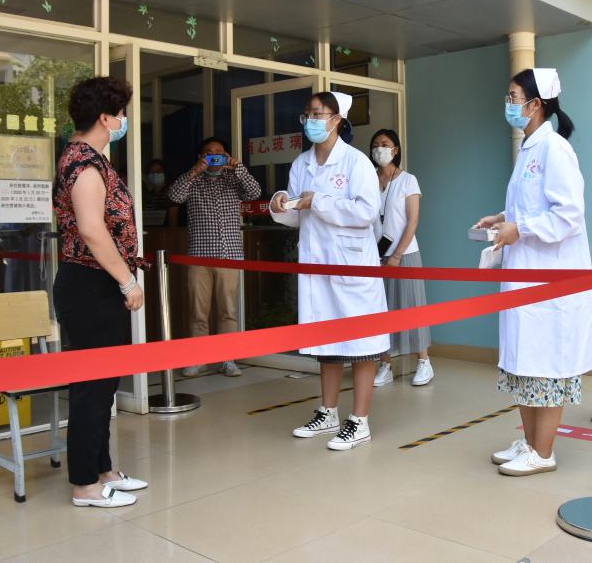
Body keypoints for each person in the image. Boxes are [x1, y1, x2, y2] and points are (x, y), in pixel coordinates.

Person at [474, 68, 592, 477]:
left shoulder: (554, 149)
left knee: (545, 363)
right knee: (524, 361)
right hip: (525, 274)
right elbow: (531, 205)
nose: (508, 105)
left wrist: (521, 228)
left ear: (535, 104)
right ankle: (529, 442)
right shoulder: (529, 148)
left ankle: (543, 452)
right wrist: (502, 217)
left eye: (513, 97)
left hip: (549, 279)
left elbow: (569, 215)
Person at [270, 91, 389, 451]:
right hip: (317, 264)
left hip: (353, 265)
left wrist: (318, 201)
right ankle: (329, 412)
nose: (310, 121)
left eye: (318, 114)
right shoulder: (301, 163)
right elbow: (297, 215)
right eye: (307, 114)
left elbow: (367, 212)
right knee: (328, 342)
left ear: (337, 120)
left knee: (362, 343)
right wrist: (282, 204)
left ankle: (360, 420)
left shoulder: (356, 163)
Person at [52, 76, 149, 508]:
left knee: (104, 384)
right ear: (105, 118)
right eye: (121, 113)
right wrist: (127, 281)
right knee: (92, 387)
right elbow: (92, 230)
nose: (124, 120)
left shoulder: (88, 158)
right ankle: (84, 485)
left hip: (96, 283)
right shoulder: (84, 164)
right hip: (89, 285)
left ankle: (103, 469)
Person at [169, 136, 261, 377]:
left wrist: (238, 167)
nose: (213, 156)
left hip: (229, 255)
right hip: (198, 256)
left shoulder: (233, 178)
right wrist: (194, 171)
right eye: (208, 152)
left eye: (219, 152)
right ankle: (198, 359)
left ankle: (227, 359)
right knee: (198, 312)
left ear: (226, 156)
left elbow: (255, 192)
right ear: (200, 157)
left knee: (227, 311)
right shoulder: (193, 180)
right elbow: (174, 196)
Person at [369, 128, 434, 387]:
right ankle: (385, 364)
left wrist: (396, 254)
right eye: (375, 144)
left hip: (405, 254)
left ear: (395, 149)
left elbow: (413, 220)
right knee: (381, 312)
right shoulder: (368, 180)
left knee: (412, 309)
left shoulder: (408, 180)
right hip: (376, 256)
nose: (379, 149)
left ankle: (424, 362)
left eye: (385, 144)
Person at [141, 158, 172, 226]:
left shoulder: (171, 193)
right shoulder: (148, 195)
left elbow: (173, 216)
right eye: (152, 172)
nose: (155, 174)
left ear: (165, 173)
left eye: (159, 171)